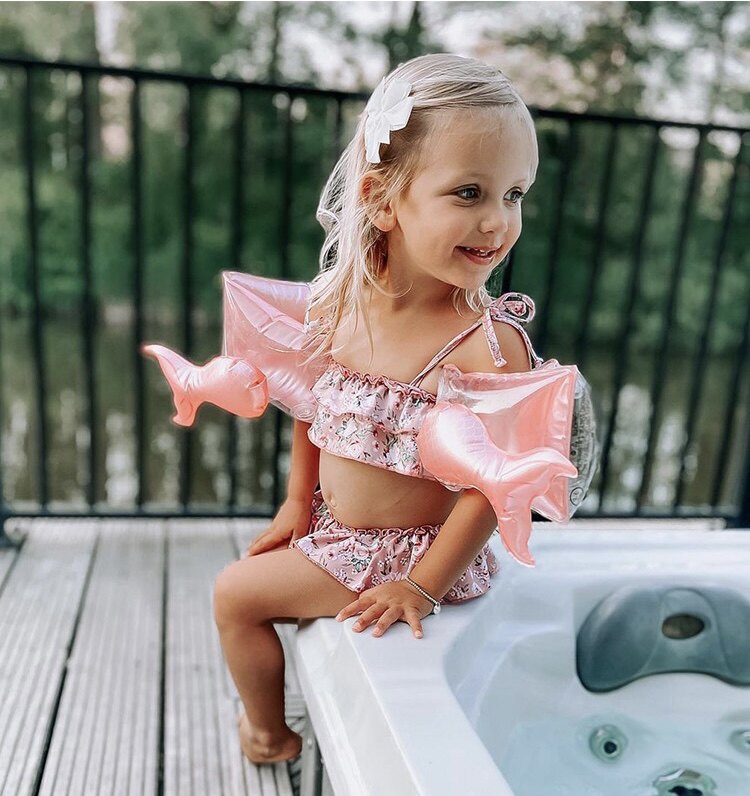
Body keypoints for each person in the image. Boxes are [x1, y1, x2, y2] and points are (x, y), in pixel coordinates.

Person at [144, 53, 590, 767]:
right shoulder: (347, 306)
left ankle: (267, 736)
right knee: (249, 582)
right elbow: (312, 405)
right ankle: (274, 722)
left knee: (235, 595)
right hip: (337, 532)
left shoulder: (485, 343)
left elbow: (493, 488)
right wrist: (298, 502)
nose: (498, 221)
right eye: (470, 192)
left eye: (515, 195)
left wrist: (420, 586)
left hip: (412, 552)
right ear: (382, 200)